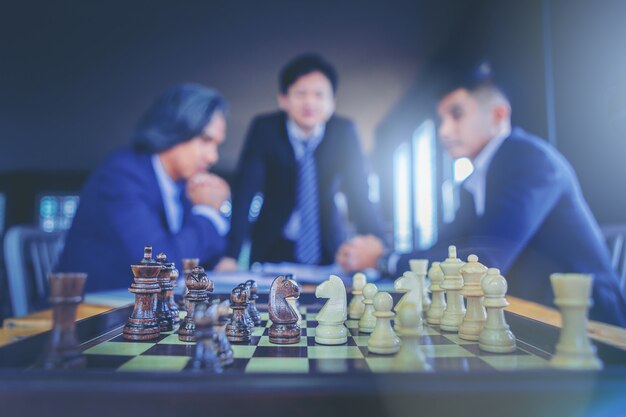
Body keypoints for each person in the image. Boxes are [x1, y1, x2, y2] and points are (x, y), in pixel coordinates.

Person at [336, 68, 626, 327]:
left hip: (590, 326)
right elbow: (445, 249)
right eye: (442, 119)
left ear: (498, 115)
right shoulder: (473, 181)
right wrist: (384, 257)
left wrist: (384, 259)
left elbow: (487, 260)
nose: (444, 130)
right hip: (528, 316)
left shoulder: (532, 161)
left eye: (457, 114)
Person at [216, 54, 384, 270]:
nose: (310, 102)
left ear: (332, 102)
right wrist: (231, 255)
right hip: (271, 246)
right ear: (283, 99)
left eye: (319, 95)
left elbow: (359, 193)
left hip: (327, 245)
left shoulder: (344, 132)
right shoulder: (264, 129)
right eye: (301, 94)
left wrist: (377, 248)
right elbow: (245, 192)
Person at [57, 83, 231, 292]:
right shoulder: (122, 174)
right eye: (205, 140)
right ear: (174, 129)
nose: (213, 157)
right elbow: (158, 270)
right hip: (90, 315)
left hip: (141, 312)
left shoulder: (185, 185)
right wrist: (207, 212)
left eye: (217, 145)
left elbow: (206, 259)